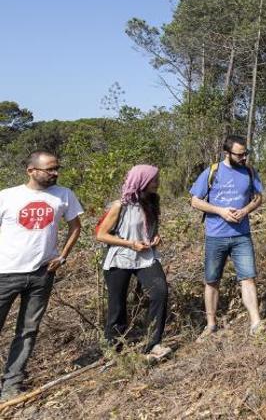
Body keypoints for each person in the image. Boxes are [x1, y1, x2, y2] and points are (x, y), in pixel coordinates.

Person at [0, 151, 82, 398]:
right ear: (31, 170)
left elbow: (75, 227)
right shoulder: (7, 196)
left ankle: (11, 385)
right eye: (49, 169)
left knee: (27, 330)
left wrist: (63, 256)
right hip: (5, 273)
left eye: (57, 168)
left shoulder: (64, 195)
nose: (55, 173)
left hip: (42, 274)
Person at [189, 135, 264, 337]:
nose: (243, 158)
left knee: (248, 278)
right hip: (216, 236)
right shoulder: (212, 172)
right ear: (227, 153)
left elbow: (258, 198)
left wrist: (246, 210)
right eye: (239, 154)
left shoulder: (249, 171)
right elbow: (195, 201)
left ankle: (256, 322)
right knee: (212, 280)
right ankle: (211, 324)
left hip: (242, 235)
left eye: (245, 153)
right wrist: (220, 211)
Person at [96, 165, 170, 360]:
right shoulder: (120, 205)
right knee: (117, 306)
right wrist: (130, 243)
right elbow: (101, 235)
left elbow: (150, 229)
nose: (157, 183)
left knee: (159, 292)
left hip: (146, 256)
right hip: (120, 257)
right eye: (154, 180)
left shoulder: (153, 201)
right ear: (142, 181)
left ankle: (153, 344)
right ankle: (113, 350)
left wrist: (156, 238)